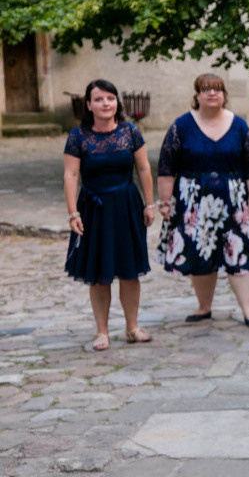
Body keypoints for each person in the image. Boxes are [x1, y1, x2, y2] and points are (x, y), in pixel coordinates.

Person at [156, 74, 249, 328]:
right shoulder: (181, 126)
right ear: (197, 95)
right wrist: (164, 200)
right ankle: (204, 306)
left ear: (224, 94)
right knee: (200, 253)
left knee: (240, 252)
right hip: (192, 200)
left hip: (233, 198)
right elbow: (166, 164)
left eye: (217, 89)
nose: (212, 93)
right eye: (205, 89)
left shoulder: (238, 126)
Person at [63, 79, 154, 350]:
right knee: (99, 271)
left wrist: (149, 204)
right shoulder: (78, 137)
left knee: (129, 270)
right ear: (88, 105)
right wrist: (72, 213)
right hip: (94, 208)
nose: (106, 104)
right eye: (99, 99)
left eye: (110, 98)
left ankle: (132, 327)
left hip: (127, 205)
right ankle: (102, 331)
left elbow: (145, 169)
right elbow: (71, 174)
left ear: (117, 102)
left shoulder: (130, 132)